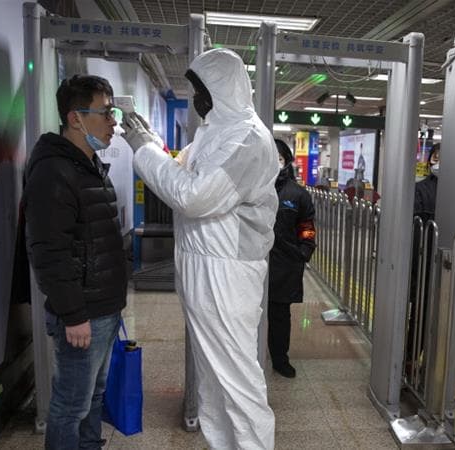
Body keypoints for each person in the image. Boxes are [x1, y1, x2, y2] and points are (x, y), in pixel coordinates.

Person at [120, 48, 277, 449]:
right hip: (201, 264)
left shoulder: (248, 138)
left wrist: (144, 149)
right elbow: (181, 170)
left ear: (221, 88)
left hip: (226, 271)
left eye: (200, 89)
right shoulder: (213, 131)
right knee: (211, 377)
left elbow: (193, 196)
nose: (195, 98)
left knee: (237, 381)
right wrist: (153, 143)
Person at [22, 75, 127, 449]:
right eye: (105, 112)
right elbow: (49, 250)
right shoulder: (54, 170)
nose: (113, 121)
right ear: (75, 118)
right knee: (71, 405)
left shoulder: (87, 164)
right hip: (82, 313)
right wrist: (73, 314)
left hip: (103, 307)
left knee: (93, 397)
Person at [267, 139, 317, 378]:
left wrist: (304, 252)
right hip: (252, 263)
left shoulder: (298, 195)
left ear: (286, 160)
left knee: (279, 314)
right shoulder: (250, 188)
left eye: (278, 157)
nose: (274, 163)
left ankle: (280, 358)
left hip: (284, 265)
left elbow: (307, 228)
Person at [405, 143, 440, 372]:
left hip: (449, 265)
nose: (439, 161)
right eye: (436, 156)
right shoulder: (421, 189)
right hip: (425, 263)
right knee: (420, 313)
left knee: (443, 316)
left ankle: (437, 362)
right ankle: (409, 358)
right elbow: (415, 229)